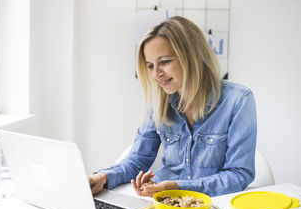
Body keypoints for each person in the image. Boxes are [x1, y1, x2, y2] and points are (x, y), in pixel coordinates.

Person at [89, 16, 257, 197]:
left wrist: (179, 188)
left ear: (192, 56)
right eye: (150, 66)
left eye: (164, 62)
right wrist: (102, 178)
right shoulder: (159, 104)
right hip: (165, 204)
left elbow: (239, 175)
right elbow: (137, 160)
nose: (156, 74)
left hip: (213, 208)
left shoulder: (238, 100)